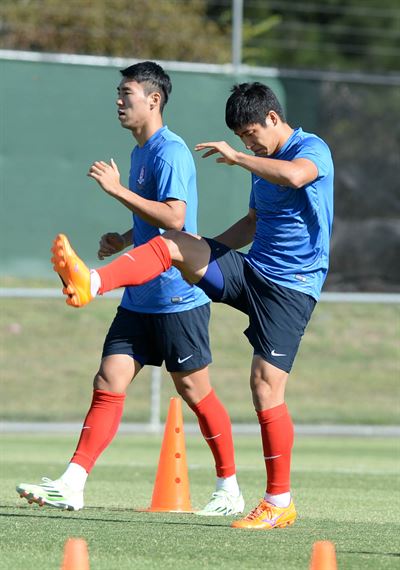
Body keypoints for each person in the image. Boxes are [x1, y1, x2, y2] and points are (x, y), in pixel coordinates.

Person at [32, 81, 334, 530]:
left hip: (292, 287)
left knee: (264, 387)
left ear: (273, 118)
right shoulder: (260, 160)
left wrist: (239, 158)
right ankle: (92, 282)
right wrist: (203, 249)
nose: (246, 143)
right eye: (241, 139)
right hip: (253, 271)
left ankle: (278, 500)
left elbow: (296, 176)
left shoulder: (310, 148)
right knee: (174, 243)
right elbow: (253, 222)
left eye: (250, 134)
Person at [16, 61, 245, 517]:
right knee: (108, 381)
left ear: (154, 100)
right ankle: (73, 482)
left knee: (196, 393)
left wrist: (118, 191)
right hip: (139, 298)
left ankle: (229, 487)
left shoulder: (171, 151)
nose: (119, 101)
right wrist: (124, 237)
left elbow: (176, 219)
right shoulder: (140, 152)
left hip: (178, 298)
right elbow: (153, 217)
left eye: (127, 94)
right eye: (118, 94)